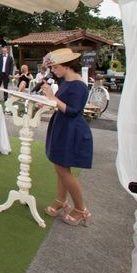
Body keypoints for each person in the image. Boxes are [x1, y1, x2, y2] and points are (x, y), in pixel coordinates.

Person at [41, 48, 93, 226]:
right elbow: (62, 105)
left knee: (63, 169)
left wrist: (52, 97)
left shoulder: (78, 85)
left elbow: (72, 111)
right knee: (60, 166)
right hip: (63, 127)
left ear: (67, 66)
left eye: (55, 67)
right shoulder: (67, 81)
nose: (53, 71)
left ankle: (80, 209)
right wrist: (50, 101)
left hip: (72, 130)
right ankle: (61, 200)